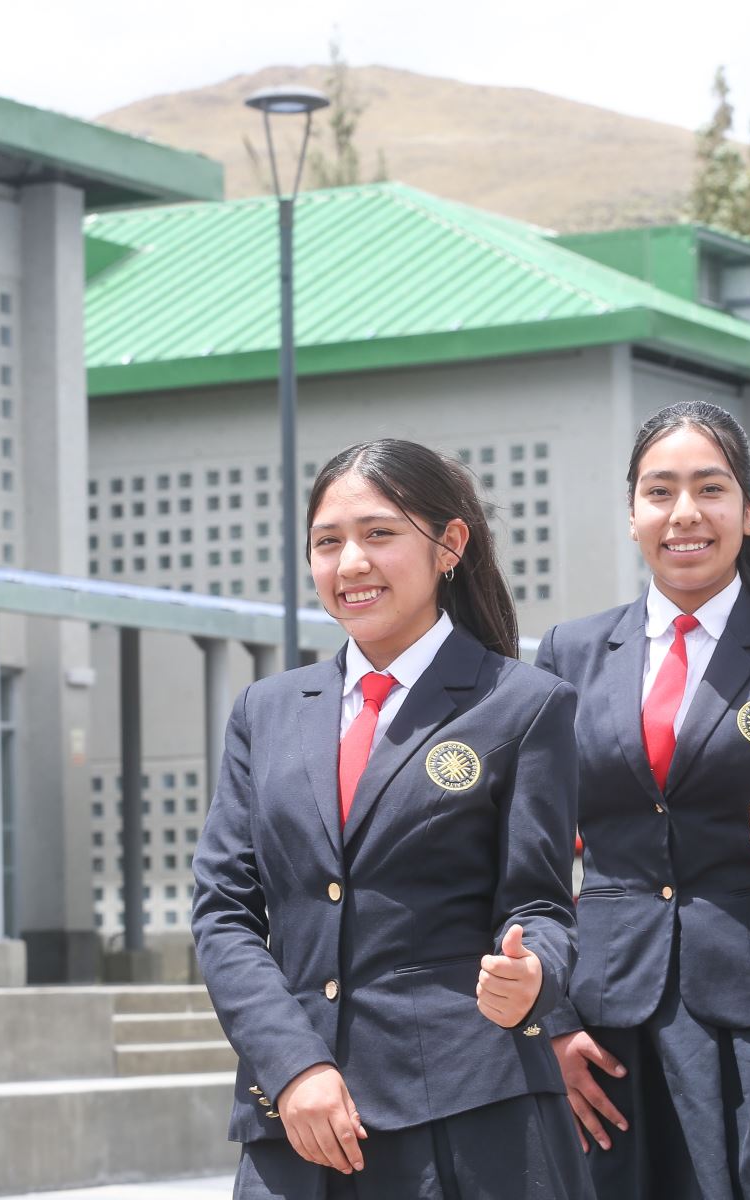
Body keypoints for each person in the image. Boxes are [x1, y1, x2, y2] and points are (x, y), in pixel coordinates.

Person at [192, 439, 592, 1200]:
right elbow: (223, 913)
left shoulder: (523, 705)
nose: (351, 564)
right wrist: (294, 1063)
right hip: (298, 1122)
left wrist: (532, 975)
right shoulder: (264, 712)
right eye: (327, 542)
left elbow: (540, 905)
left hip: (468, 1116)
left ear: (450, 545)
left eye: (379, 534)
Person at [535, 400, 750, 1200]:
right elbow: (532, 860)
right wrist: (550, 1023)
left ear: (749, 509)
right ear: (632, 513)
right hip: (613, 1016)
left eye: (710, 489)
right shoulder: (571, 652)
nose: (685, 514)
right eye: (660, 492)